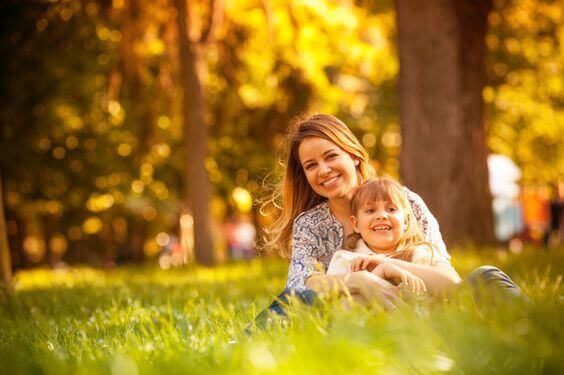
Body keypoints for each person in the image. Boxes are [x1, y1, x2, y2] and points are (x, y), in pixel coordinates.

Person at [252, 114, 523, 328]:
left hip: (427, 311)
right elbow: (300, 287)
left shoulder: (405, 203)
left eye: (331, 156)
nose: (323, 170)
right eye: (311, 165)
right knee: (293, 302)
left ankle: (536, 321)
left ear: (354, 155)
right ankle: (238, 350)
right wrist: (358, 281)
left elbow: (451, 283)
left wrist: (387, 264)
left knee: (486, 276)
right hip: (352, 318)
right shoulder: (311, 225)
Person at [325, 178, 461, 300]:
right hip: (371, 326)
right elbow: (341, 310)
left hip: (423, 326)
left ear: (406, 221)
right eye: (370, 210)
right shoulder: (346, 261)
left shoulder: (420, 253)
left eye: (391, 209)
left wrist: (387, 262)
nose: (382, 216)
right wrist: (381, 272)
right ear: (355, 224)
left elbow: (455, 286)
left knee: (481, 276)